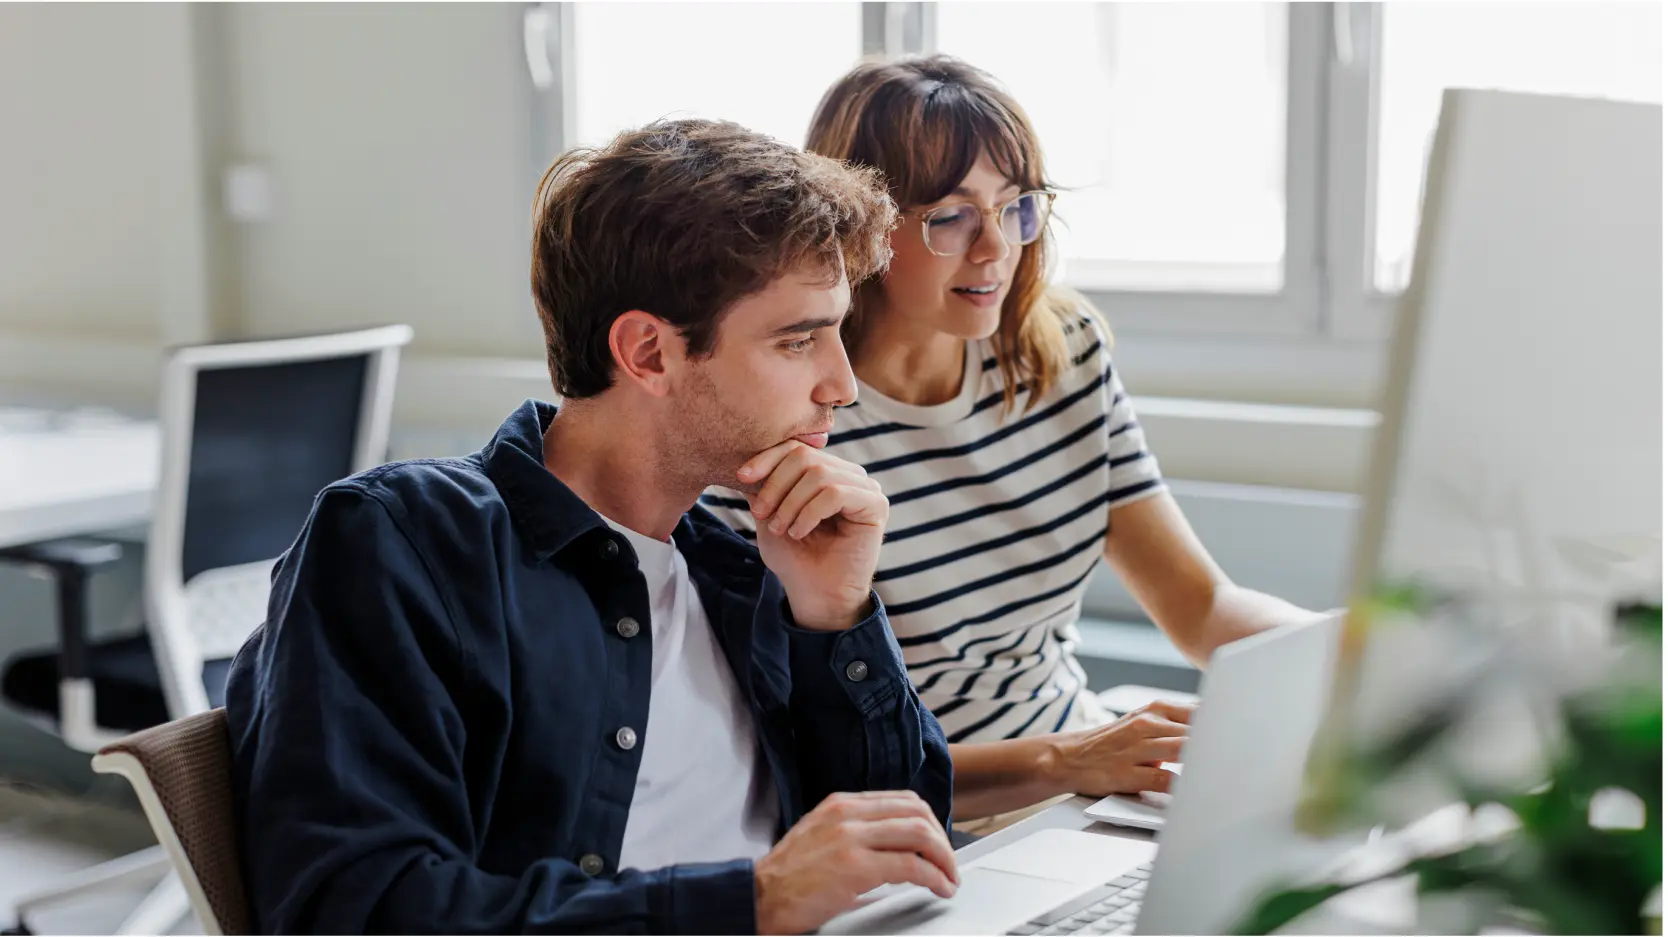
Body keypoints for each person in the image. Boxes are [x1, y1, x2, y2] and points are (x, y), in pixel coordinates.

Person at [224, 118, 958, 935]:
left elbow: (915, 849)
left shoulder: (744, 567)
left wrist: (835, 615)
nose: (842, 385)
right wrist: (752, 901)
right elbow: (352, 908)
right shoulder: (404, 544)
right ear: (647, 353)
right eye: (799, 340)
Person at [703, 55, 1327, 832]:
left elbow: (1201, 606)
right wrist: (1063, 758)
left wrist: (1349, 657)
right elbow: (807, 757)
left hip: (1088, 785)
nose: (997, 248)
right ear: (861, 227)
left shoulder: (1060, 349)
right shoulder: (786, 428)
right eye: (952, 216)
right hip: (924, 825)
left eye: (1016, 205)